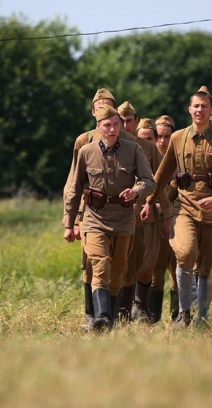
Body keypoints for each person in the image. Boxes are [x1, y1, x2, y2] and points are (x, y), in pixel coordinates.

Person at [141, 87, 212, 327]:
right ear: (189, 109)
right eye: (196, 106)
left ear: (211, 110)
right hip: (185, 205)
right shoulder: (177, 137)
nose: (200, 110)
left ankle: (201, 318)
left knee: (207, 266)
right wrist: (150, 201)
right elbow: (162, 174)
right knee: (184, 252)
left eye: (204, 106)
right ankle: (183, 313)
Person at [64, 105, 156, 331]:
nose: (113, 128)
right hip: (94, 218)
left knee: (117, 273)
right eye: (107, 125)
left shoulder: (133, 149)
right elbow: (75, 189)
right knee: (100, 264)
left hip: (124, 220)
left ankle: (108, 323)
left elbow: (149, 180)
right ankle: (102, 316)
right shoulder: (86, 151)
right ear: (99, 127)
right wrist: (70, 223)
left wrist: (136, 191)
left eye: (117, 124)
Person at [117, 104, 169, 321]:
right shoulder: (112, 145)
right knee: (123, 264)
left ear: (135, 121)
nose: (125, 125)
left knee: (146, 264)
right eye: (122, 120)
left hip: (147, 213)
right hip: (120, 214)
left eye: (129, 120)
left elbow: (159, 181)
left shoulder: (147, 149)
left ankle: (143, 309)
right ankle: (123, 312)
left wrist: (162, 209)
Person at [150, 115, 180, 322]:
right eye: (158, 136)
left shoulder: (180, 160)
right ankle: (152, 316)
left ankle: (178, 315)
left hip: (178, 220)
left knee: (178, 271)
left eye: (166, 136)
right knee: (155, 272)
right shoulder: (146, 159)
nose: (162, 141)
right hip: (155, 222)